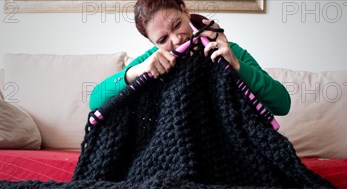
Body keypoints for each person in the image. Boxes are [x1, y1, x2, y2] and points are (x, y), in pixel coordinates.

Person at [89, 0, 291, 116]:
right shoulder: (151, 61)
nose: (177, 39)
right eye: (163, 39)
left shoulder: (228, 51)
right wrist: (135, 72)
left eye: (177, 25)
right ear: (153, 43)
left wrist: (237, 67)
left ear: (185, 10)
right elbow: (95, 101)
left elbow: (282, 105)